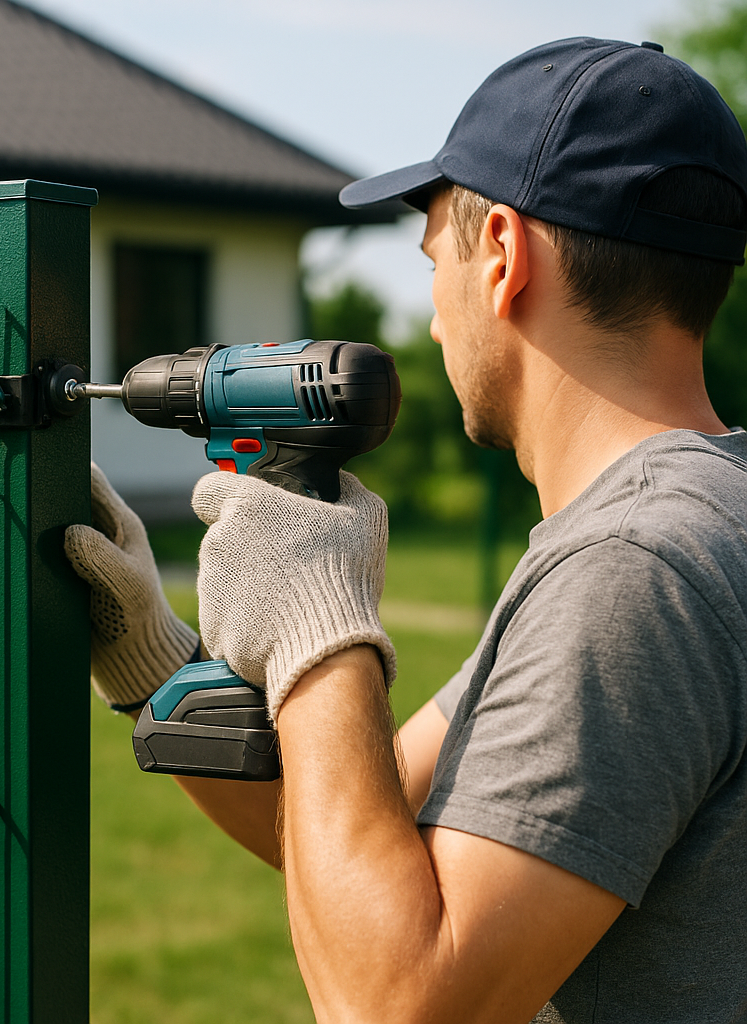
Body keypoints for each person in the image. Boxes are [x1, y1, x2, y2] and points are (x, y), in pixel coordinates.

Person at [65, 37, 747, 1023]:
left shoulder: (633, 570)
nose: (430, 315)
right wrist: (150, 661)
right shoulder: (699, 518)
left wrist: (314, 619)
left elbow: (397, 999)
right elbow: (353, 837)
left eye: (435, 258)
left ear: (503, 257)